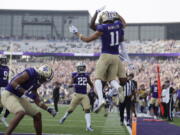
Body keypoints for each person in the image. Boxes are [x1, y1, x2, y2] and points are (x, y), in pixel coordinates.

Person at [69, 10, 125, 113]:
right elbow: (124, 24)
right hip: (116, 56)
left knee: (97, 79)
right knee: (111, 79)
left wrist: (77, 33)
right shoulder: (118, 25)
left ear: (104, 19)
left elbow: (87, 39)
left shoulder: (103, 28)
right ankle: (118, 87)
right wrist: (117, 14)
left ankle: (101, 99)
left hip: (105, 55)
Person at [1, 65, 56, 135]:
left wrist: (47, 108)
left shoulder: (37, 81)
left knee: (37, 115)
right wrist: (24, 91)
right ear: (41, 75)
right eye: (45, 79)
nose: (45, 81)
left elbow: (36, 99)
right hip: (8, 94)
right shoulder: (30, 73)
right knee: (20, 112)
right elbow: (13, 82)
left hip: (18, 97)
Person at [59, 62, 94, 131]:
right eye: (80, 67)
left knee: (87, 109)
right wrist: (74, 83)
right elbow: (70, 85)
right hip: (77, 94)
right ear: (78, 68)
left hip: (84, 95)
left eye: (83, 67)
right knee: (70, 109)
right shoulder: (74, 75)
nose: (82, 68)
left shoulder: (86, 75)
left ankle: (88, 126)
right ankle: (64, 117)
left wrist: (92, 90)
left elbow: (91, 84)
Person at [0, 55, 10, 127]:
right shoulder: (6, 68)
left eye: (5, 60)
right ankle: (3, 118)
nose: (4, 61)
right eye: (3, 60)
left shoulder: (7, 68)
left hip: (5, 88)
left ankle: (3, 118)